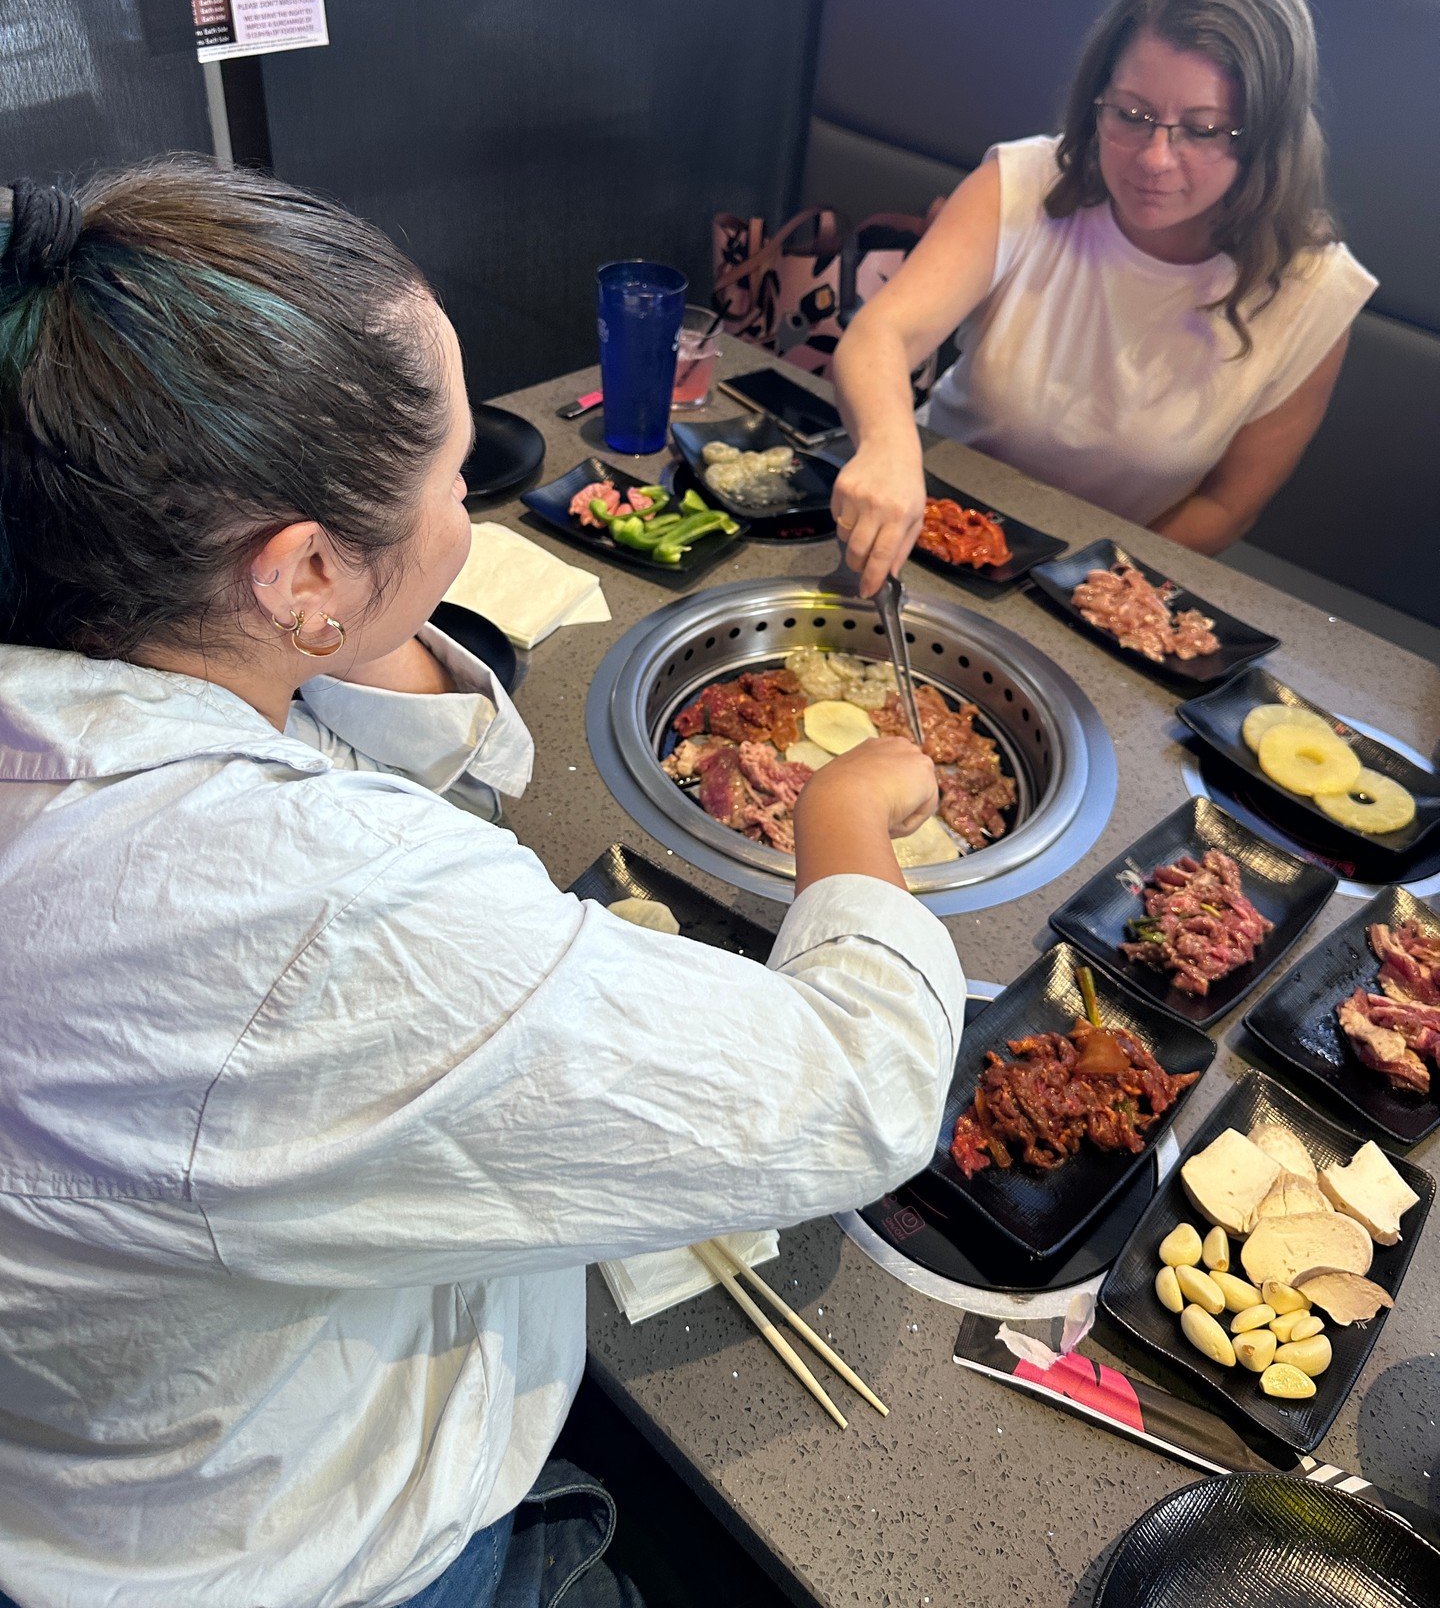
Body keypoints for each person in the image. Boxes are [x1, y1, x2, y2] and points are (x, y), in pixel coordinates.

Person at [0, 162, 963, 1608]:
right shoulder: (308, 916)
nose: (465, 507)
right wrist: (846, 808)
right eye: (454, 479)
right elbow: (859, 1091)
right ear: (298, 564)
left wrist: (330, 627)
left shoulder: (82, 649)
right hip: (320, 1558)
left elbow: (416, 764)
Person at [830, 0, 1377, 597]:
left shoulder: (1313, 292)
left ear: (1268, 137)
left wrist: (1090, 590)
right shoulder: (1028, 182)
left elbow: (1229, 504)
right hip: (922, 520)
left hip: (1098, 580)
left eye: (1202, 130)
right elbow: (879, 336)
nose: (1152, 158)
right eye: (1132, 115)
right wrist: (889, 451)